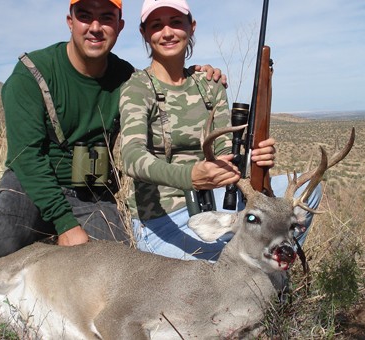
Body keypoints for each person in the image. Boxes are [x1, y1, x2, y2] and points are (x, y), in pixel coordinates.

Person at [0, 0, 225, 260]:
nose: (95, 27)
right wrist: (65, 224)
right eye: (85, 16)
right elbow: (26, 159)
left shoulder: (126, 77)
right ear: (70, 21)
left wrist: (197, 74)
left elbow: (165, 83)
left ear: (119, 26)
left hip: (90, 192)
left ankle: (46, 240)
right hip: (33, 185)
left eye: (106, 17)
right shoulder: (31, 74)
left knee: (116, 260)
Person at [120, 0, 322, 261]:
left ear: (191, 27)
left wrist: (254, 158)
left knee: (309, 191)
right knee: (224, 269)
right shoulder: (138, 88)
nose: (167, 32)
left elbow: (226, 151)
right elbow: (132, 158)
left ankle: (275, 271)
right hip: (163, 219)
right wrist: (189, 176)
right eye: (157, 25)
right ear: (144, 33)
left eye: (176, 22)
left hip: (216, 204)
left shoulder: (209, 85)